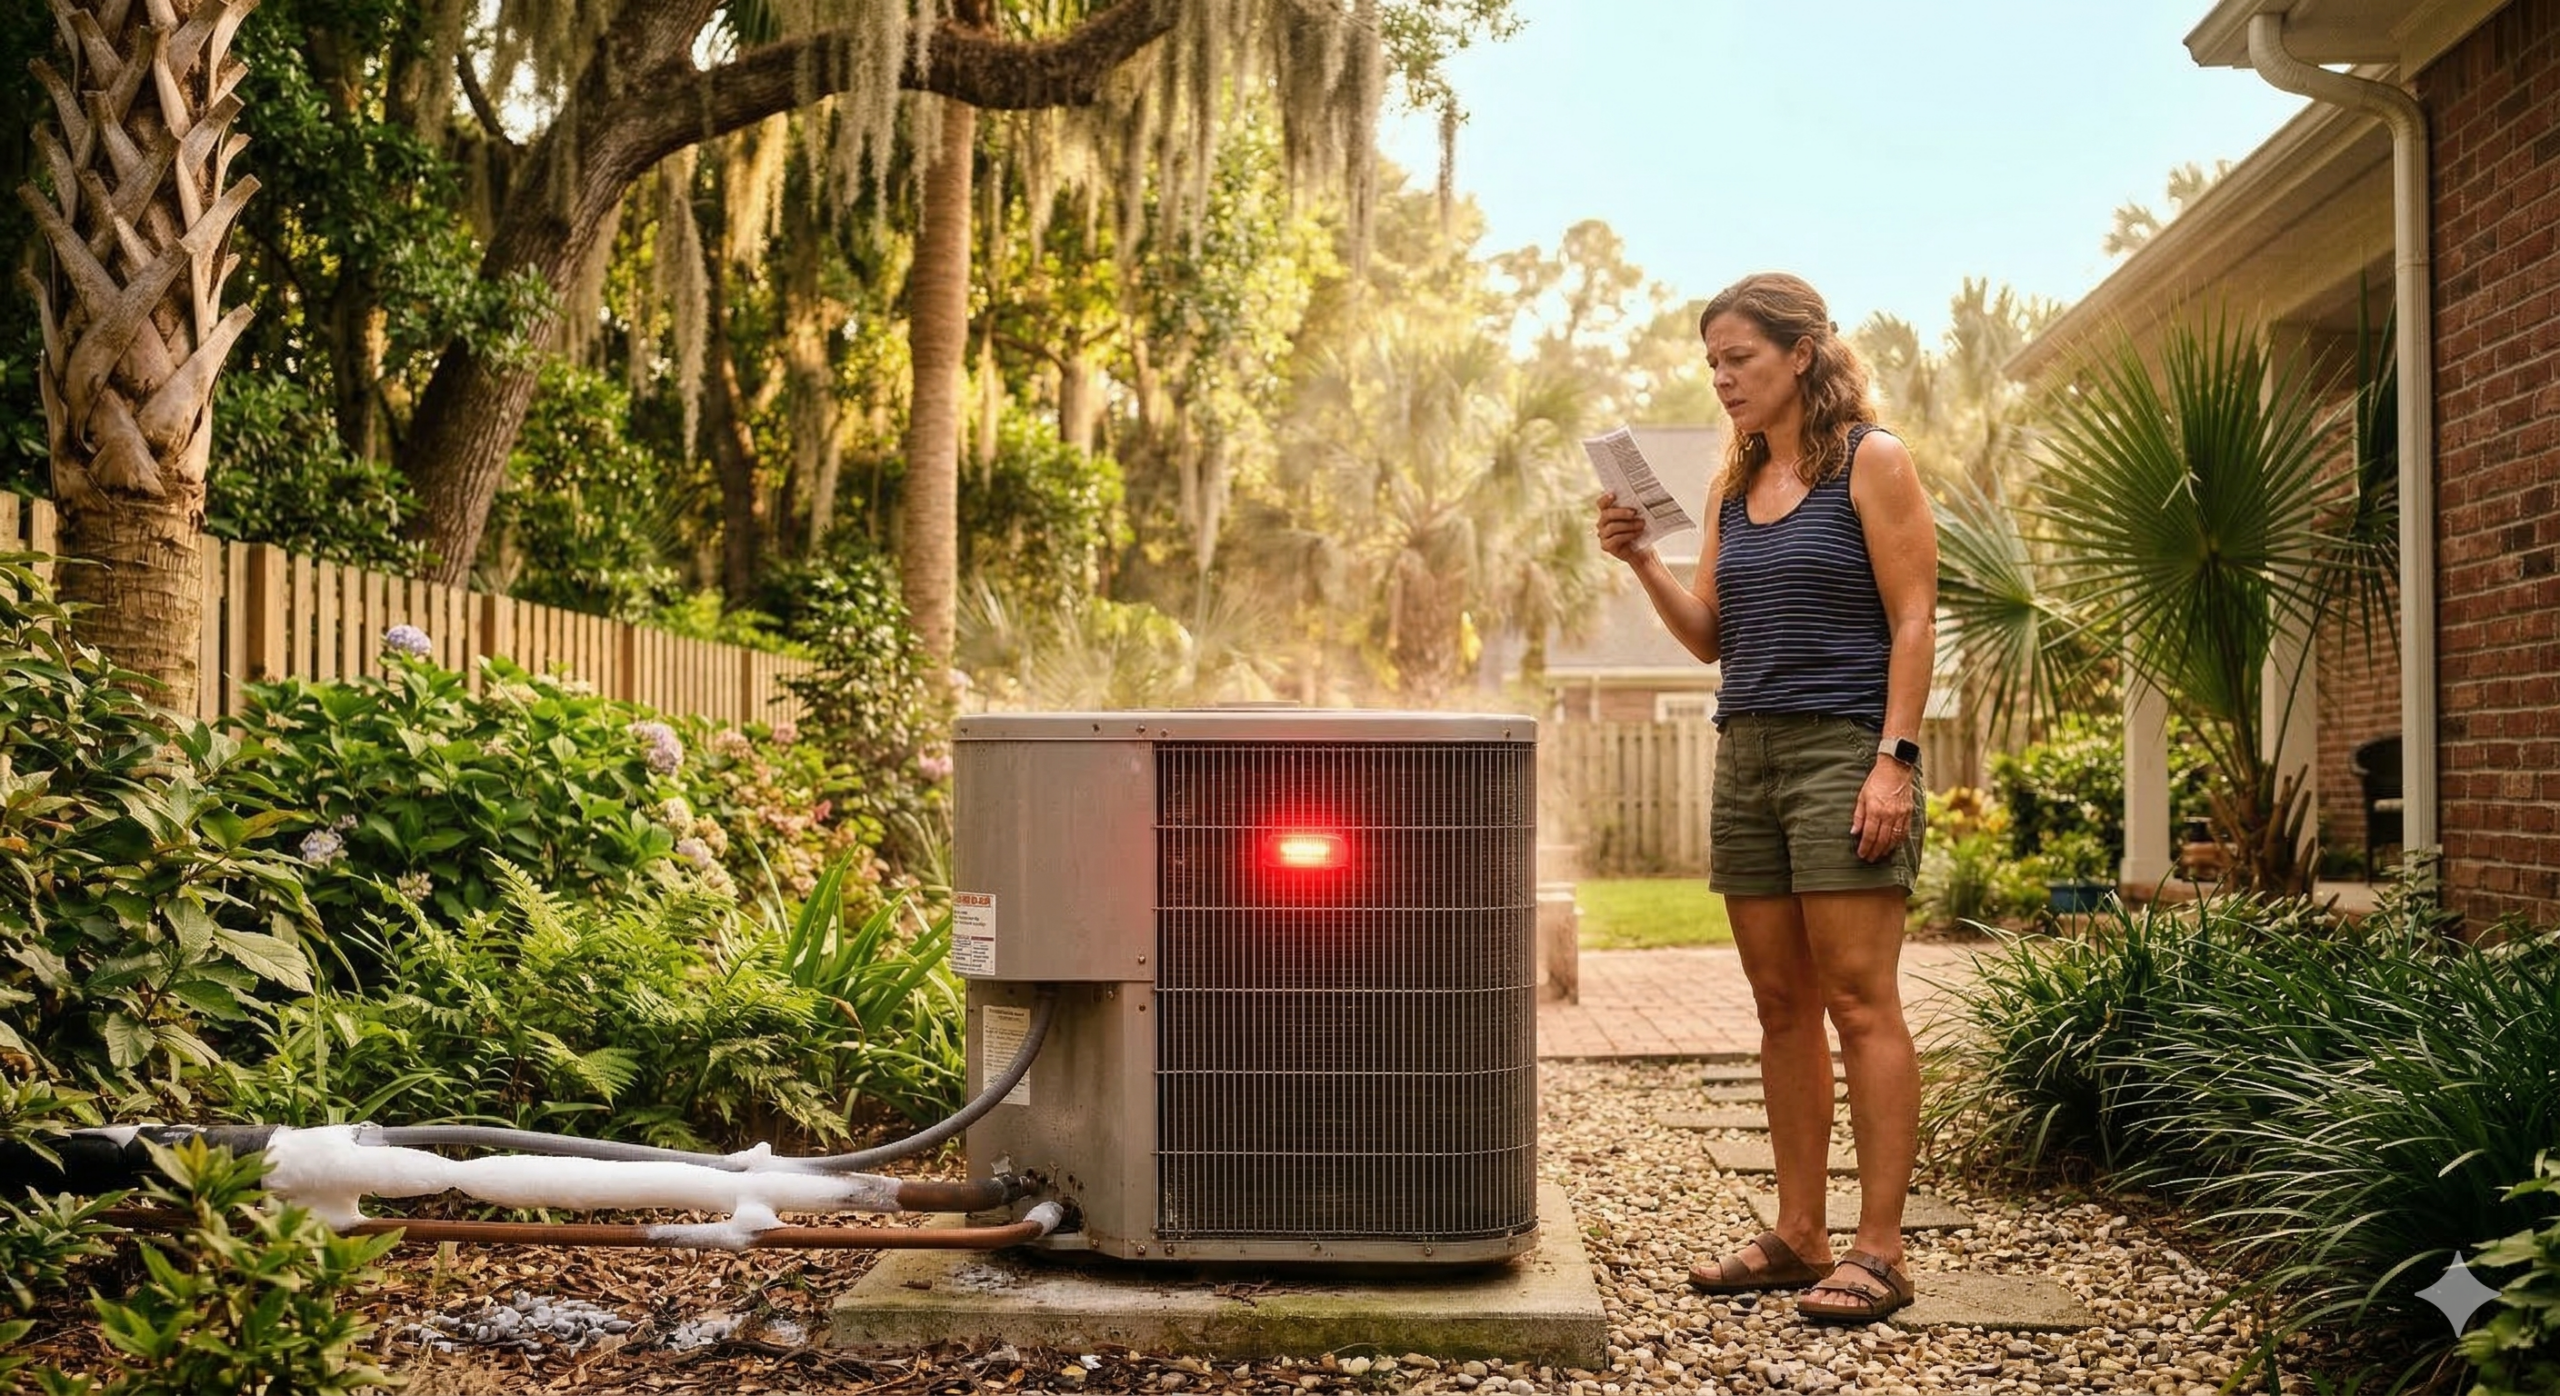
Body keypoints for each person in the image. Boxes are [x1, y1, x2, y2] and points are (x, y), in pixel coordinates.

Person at [1593, 271, 1937, 1324]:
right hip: (1746, 753)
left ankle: (1879, 1250)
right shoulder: (1733, 488)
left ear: (1800, 353)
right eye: (1711, 362)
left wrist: (1896, 760)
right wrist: (1645, 562)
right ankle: (1798, 1233)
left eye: (1738, 357)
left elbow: (1916, 617)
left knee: (1858, 998)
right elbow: (1710, 639)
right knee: (1780, 1005)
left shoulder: (1870, 461)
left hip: (1843, 749)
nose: (1722, 377)